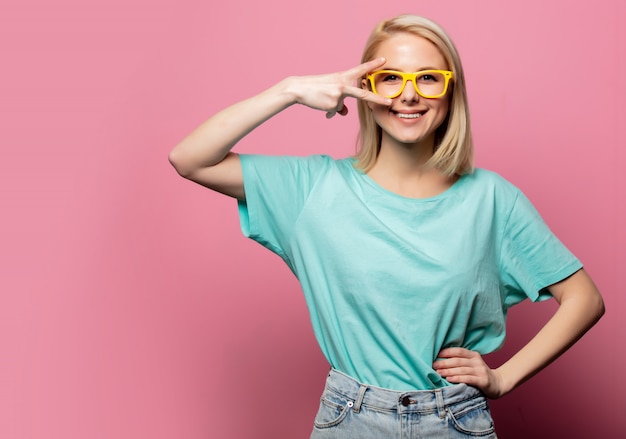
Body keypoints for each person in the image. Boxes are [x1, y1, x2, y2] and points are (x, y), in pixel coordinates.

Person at [169, 14, 605, 439]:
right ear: (365, 90)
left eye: (428, 78)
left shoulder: (492, 200)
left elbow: (584, 298)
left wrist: (504, 378)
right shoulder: (312, 189)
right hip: (351, 420)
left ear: (451, 91)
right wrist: (290, 90)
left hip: (455, 422)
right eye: (391, 78)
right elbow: (191, 158)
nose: (409, 95)